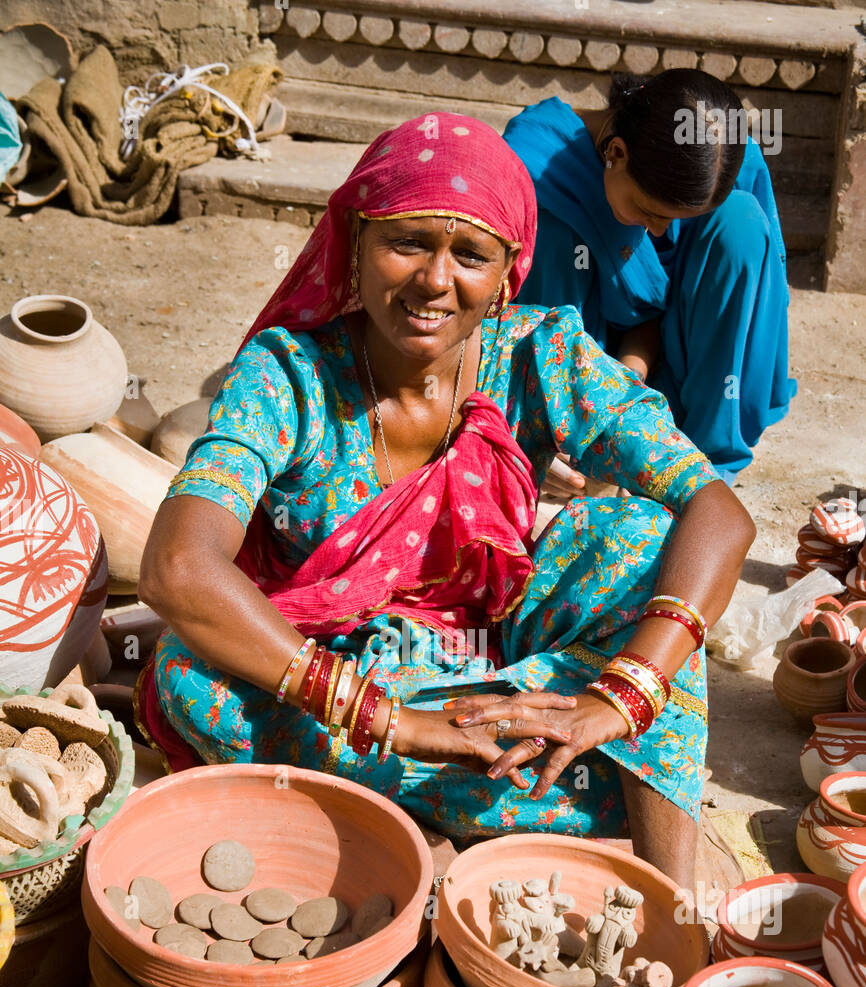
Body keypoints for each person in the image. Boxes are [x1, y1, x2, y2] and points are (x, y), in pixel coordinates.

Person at [136, 113, 755, 892]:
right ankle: (581, 788)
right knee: (188, 670)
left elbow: (716, 510)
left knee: (640, 534)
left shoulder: (541, 351)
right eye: (406, 243)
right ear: (355, 247)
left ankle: (669, 896)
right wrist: (395, 723)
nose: (434, 279)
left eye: (469, 254)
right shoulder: (287, 375)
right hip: (344, 673)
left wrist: (623, 697)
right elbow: (175, 568)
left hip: (500, 644)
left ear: (506, 276)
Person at [504, 70, 796, 480]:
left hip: (686, 360)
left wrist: (631, 381)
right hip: (587, 363)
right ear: (616, 153)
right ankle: (556, 421)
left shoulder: (724, 156)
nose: (658, 232)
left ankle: (700, 449)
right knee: (554, 227)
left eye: (676, 219)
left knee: (742, 224)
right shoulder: (536, 163)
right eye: (649, 212)